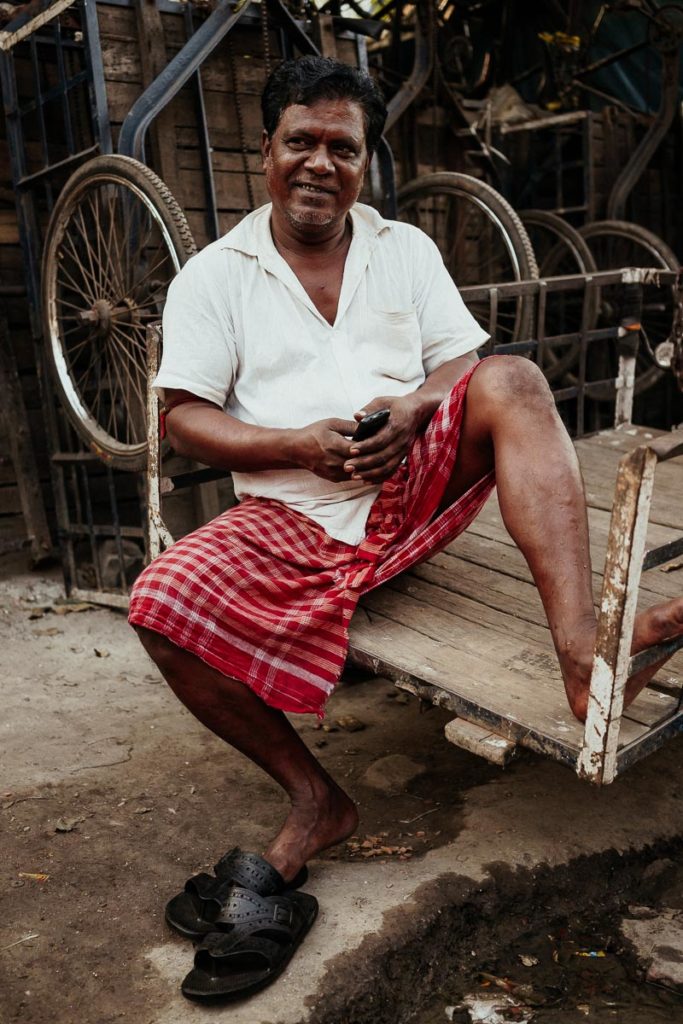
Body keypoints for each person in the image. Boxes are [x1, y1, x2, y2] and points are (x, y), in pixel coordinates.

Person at [128, 55, 683, 1001]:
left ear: (366, 162)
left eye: (341, 148)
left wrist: (420, 408)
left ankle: (582, 653)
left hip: (412, 489)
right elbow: (182, 415)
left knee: (509, 377)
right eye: (299, 141)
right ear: (265, 150)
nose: (318, 163)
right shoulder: (215, 276)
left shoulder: (403, 249)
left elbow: (461, 361)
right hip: (289, 510)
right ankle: (317, 801)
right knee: (157, 602)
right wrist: (295, 444)